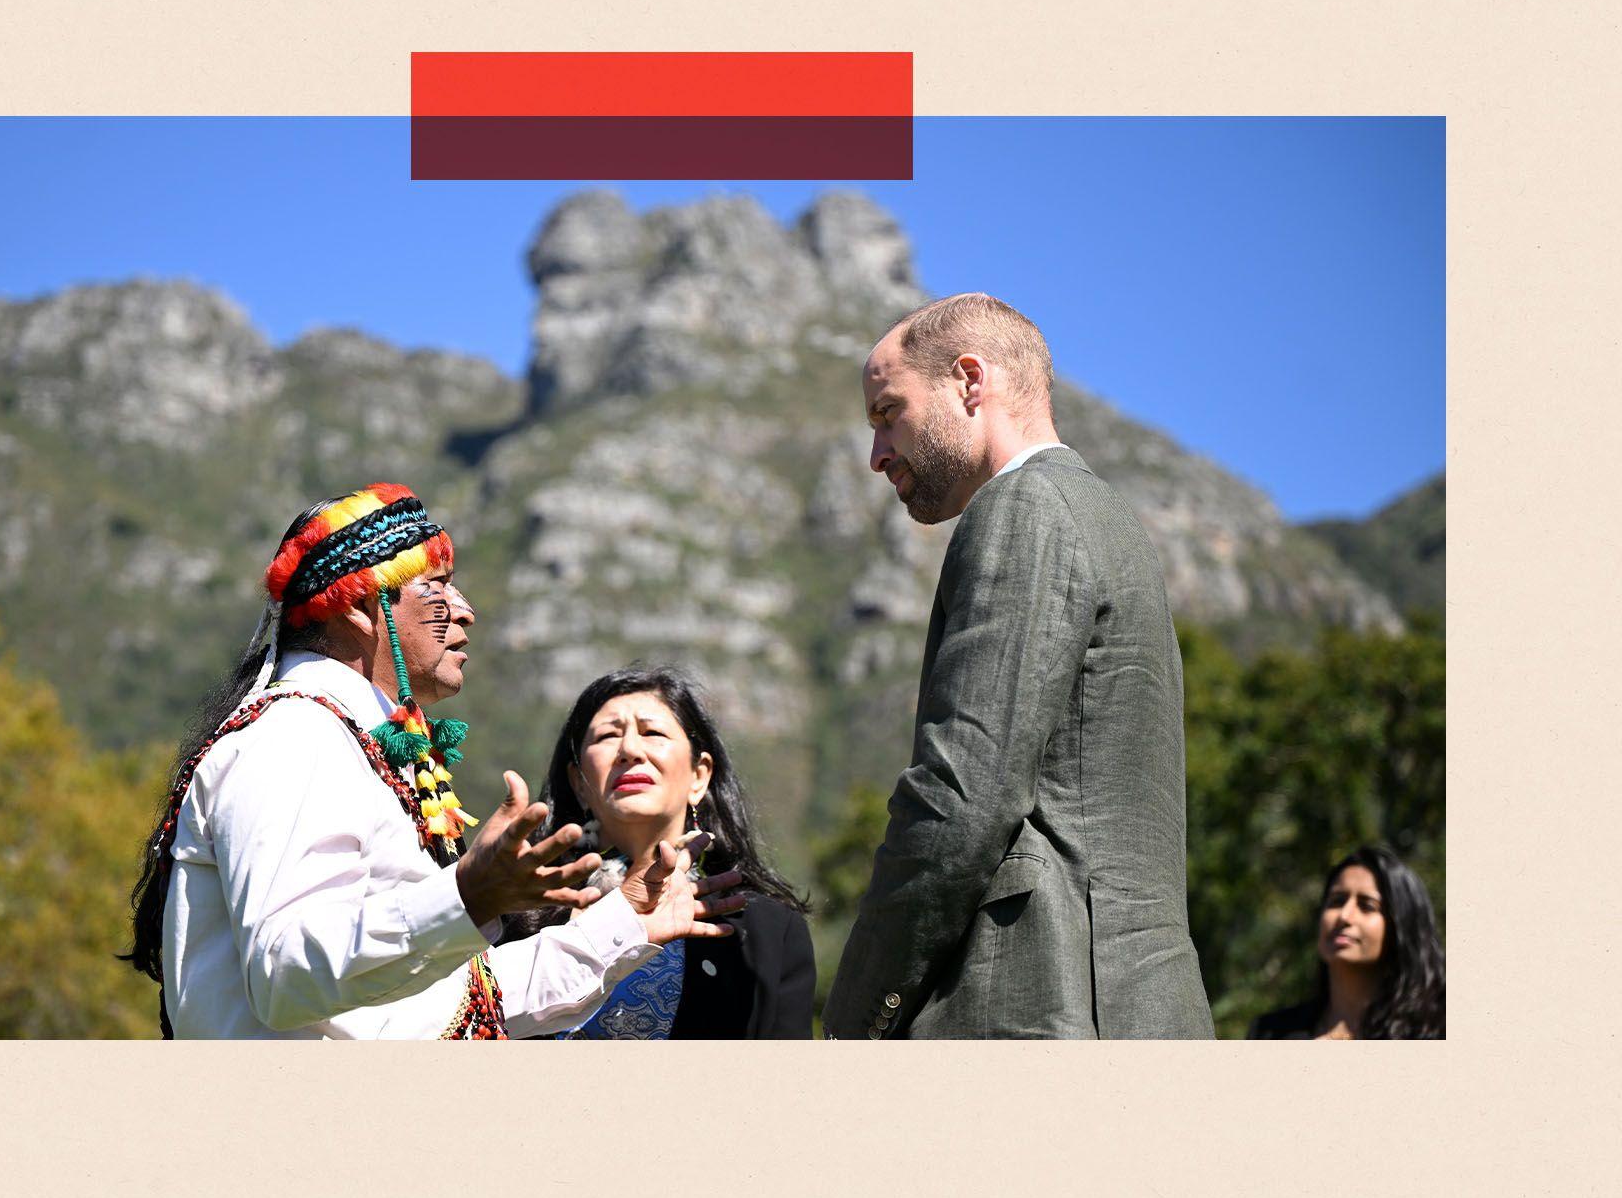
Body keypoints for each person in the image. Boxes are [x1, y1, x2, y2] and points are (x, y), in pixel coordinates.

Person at [121, 483, 743, 1038]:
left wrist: (624, 919)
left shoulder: (346, 740)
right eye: (438, 588)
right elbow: (285, 975)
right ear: (359, 607)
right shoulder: (295, 733)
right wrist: (467, 895)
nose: (466, 609)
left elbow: (450, 1007)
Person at [823, 293, 1213, 1039]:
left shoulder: (1023, 508)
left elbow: (961, 797)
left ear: (970, 380)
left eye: (887, 414)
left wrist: (860, 1015)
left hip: (1038, 1007)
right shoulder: (1113, 524)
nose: (876, 455)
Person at [504, 665, 815, 1039]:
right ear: (579, 783)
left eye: (652, 732)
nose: (630, 750)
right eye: (607, 735)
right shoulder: (519, 910)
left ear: (699, 776)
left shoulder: (769, 930)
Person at [1248, 846, 1446, 1040]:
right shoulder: (1270, 1032)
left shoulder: (1437, 1031)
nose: (1344, 916)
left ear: (1401, 925)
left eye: (1367, 905)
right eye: (1336, 901)